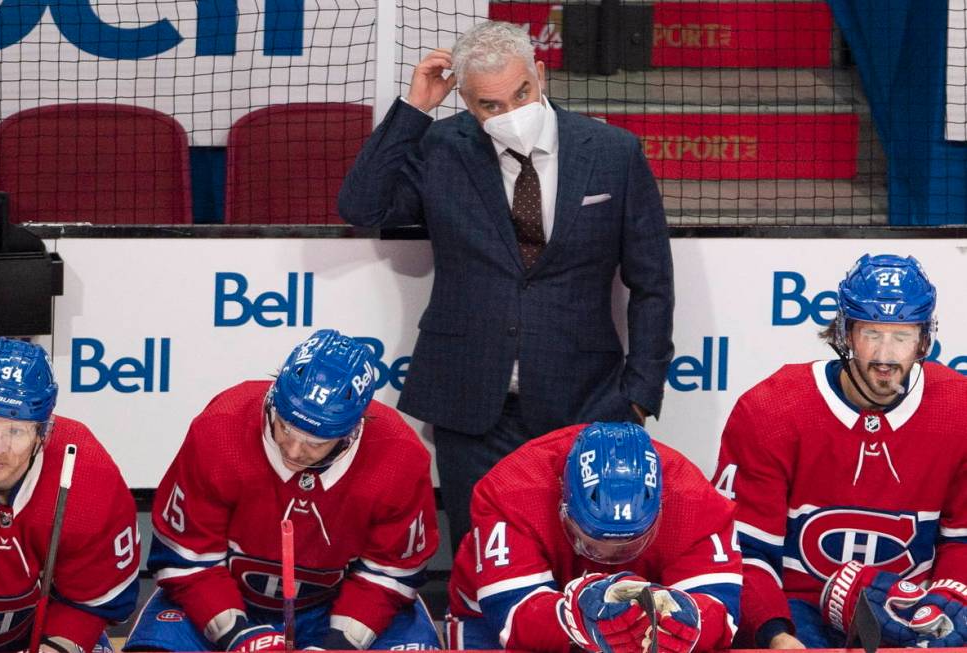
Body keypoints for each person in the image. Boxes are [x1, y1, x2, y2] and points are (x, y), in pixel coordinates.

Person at [339, 20, 674, 552]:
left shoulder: (613, 152)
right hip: (469, 401)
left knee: (580, 556)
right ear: (468, 104)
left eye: (521, 92)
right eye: (490, 104)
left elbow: (652, 282)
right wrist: (415, 110)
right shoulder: (442, 147)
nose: (511, 113)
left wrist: (639, 395)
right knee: (481, 561)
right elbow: (362, 206)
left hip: (584, 399)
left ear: (540, 74)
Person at [124, 329, 441, 651]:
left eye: (315, 443)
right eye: (284, 428)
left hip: (339, 604)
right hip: (225, 594)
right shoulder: (221, 427)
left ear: (352, 430)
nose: (293, 450)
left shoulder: (399, 456)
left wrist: (341, 645)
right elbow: (188, 557)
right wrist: (238, 635)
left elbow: (390, 573)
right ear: (274, 399)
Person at [712, 253, 967, 649]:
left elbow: (961, 541)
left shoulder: (958, 410)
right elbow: (744, 551)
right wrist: (775, 634)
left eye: (901, 337)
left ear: (924, 340)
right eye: (871, 334)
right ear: (846, 334)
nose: (885, 356)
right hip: (799, 608)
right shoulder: (771, 409)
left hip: (912, 609)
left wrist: (946, 606)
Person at [445, 421, 741, 653]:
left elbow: (720, 612)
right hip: (488, 621)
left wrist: (687, 618)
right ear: (563, 501)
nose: (609, 557)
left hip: (633, 634)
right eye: (591, 540)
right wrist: (579, 618)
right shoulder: (510, 490)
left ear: (662, 507)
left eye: (629, 543)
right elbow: (513, 618)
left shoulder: (697, 501)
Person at [0, 337, 139, 653]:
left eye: (15, 431)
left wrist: (56, 647)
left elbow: (92, 604)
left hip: (40, 636)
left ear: (44, 432)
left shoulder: (89, 475)